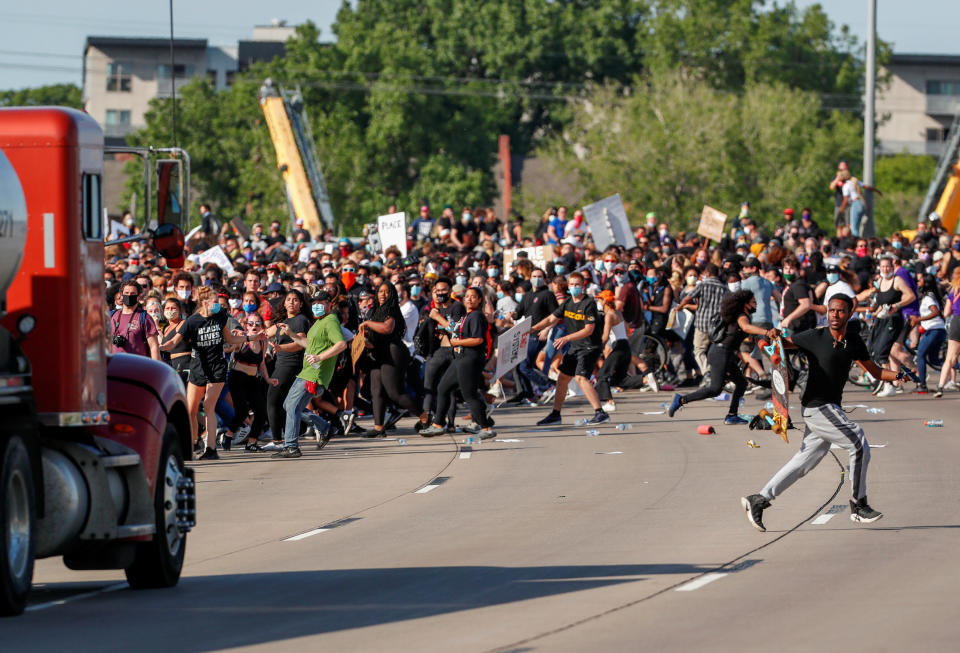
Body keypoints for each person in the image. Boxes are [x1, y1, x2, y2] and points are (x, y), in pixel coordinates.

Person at [741, 294, 912, 532]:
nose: (834, 315)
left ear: (849, 314)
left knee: (804, 462)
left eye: (840, 311)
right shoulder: (815, 336)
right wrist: (771, 338)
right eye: (831, 311)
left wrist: (898, 376)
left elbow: (874, 371)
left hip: (830, 408)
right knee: (858, 443)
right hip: (818, 406)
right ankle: (859, 504)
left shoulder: (851, 342)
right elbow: (780, 345)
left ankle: (759, 499)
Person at [160, 285, 256, 460]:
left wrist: (250, 337)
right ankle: (194, 441)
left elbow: (230, 339)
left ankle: (211, 449)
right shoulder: (192, 321)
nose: (218, 304)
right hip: (197, 368)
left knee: (209, 406)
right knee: (190, 409)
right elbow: (174, 341)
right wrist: (161, 347)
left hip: (217, 368)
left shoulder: (221, 316)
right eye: (214, 301)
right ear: (204, 302)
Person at [668, 291, 777, 424]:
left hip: (725, 354)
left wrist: (757, 338)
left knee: (741, 383)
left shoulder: (738, 316)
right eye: (753, 302)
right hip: (721, 354)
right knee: (715, 389)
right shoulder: (742, 316)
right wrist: (766, 332)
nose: (756, 304)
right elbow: (745, 327)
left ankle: (732, 415)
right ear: (746, 304)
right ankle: (680, 400)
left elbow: (740, 334)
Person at [273, 290, 346, 458]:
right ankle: (325, 428)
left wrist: (320, 357)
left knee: (291, 406)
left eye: (321, 303)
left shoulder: (330, 321)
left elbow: (341, 344)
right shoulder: (319, 321)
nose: (317, 306)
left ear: (329, 304)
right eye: (314, 303)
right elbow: (308, 344)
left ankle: (291, 446)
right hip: (307, 372)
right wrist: (291, 333)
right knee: (289, 406)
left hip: (314, 374)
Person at [530, 272, 610, 426]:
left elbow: (589, 330)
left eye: (577, 285)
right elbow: (551, 319)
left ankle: (600, 413)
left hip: (590, 346)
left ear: (583, 286)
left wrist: (566, 338)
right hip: (576, 346)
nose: (574, 287)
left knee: (581, 377)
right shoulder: (567, 303)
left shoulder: (589, 304)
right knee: (563, 378)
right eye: (571, 284)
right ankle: (555, 414)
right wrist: (532, 329)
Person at [420, 287, 496, 439]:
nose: (469, 299)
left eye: (473, 297)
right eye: (467, 296)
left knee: (469, 395)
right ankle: (438, 424)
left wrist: (458, 341)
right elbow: (454, 330)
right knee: (443, 388)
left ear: (479, 300)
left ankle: (486, 427)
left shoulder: (477, 316)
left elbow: (478, 339)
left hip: (469, 359)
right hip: (460, 358)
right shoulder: (466, 316)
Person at [358, 282, 428, 437]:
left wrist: (368, 323)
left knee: (395, 392)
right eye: (380, 291)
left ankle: (425, 417)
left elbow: (387, 328)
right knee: (376, 391)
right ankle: (378, 427)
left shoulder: (391, 309)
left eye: (387, 292)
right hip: (378, 353)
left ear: (393, 295)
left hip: (393, 352)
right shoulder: (374, 311)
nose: (383, 294)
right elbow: (374, 337)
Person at [222, 312, 279, 451]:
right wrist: (231, 338)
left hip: (253, 379)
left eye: (257, 323)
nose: (254, 326)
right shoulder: (242, 339)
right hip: (237, 377)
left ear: (261, 326)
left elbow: (262, 364)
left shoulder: (262, 341)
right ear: (246, 326)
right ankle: (228, 435)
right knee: (241, 411)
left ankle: (251, 442)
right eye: (251, 323)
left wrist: (268, 379)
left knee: (261, 412)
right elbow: (227, 349)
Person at [262, 290, 311, 451]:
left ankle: (277, 440)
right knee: (288, 404)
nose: (291, 302)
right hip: (281, 364)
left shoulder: (300, 320)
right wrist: (248, 334)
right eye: (289, 299)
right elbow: (265, 334)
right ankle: (323, 426)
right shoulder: (284, 321)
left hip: (290, 365)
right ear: (284, 303)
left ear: (301, 304)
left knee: (273, 401)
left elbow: (300, 343)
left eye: (296, 300)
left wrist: (280, 347)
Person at [677, 263, 729, 380]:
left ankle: (706, 372)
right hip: (717, 324)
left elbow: (688, 298)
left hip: (702, 323)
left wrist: (680, 306)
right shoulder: (723, 288)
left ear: (707, 273)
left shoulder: (703, 285)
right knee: (713, 351)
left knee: (699, 350)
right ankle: (718, 373)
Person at [593, 290, 631, 413]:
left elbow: (605, 337)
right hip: (625, 345)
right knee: (619, 379)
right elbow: (626, 328)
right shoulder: (618, 313)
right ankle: (645, 379)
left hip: (619, 346)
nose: (598, 302)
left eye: (599, 299)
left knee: (602, 375)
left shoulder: (609, 315)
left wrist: (595, 347)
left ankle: (610, 402)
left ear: (604, 301)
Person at [911, 273, 946, 394]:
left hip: (934, 330)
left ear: (925, 283)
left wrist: (917, 320)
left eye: (920, 281)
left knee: (920, 355)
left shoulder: (928, 298)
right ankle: (956, 366)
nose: (917, 283)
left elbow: (935, 312)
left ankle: (922, 385)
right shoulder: (931, 296)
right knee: (934, 360)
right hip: (939, 330)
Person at [110, 281, 160, 360]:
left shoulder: (145, 317)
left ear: (138, 296)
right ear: (121, 294)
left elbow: (154, 346)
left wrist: (156, 369)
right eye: (126, 293)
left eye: (133, 293)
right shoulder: (112, 316)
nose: (129, 295)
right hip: (114, 365)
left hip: (137, 366)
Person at [934, 267, 960, 397]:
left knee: (949, 358)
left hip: (956, 322)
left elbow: (946, 313)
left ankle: (940, 386)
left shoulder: (953, 292)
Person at [160, 298, 191, 382]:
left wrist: (161, 347)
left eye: (173, 308)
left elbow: (173, 342)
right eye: (167, 308)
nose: (170, 311)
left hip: (183, 363)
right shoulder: (166, 328)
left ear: (180, 311)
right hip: (171, 364)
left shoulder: (183, 323)